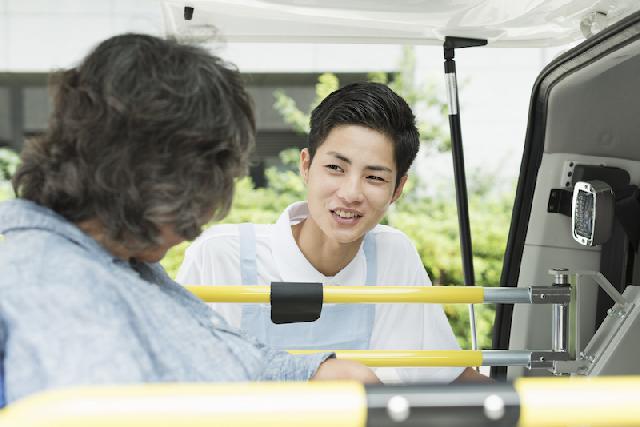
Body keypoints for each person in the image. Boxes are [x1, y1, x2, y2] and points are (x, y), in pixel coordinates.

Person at [0, 33, 379, 406]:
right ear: (147, 178)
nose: (198, 223)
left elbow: (219, 356)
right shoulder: (56, 288)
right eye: (204, 187)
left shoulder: (121, 259)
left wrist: (309, 374)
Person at [178, 82, 489, 383]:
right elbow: (177, 374)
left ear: (398, 190)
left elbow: (442, 373)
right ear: (306, 165)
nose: (351, 193)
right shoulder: (221, 255)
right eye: (336, 168)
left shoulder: (394, 253)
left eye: (375, 177)